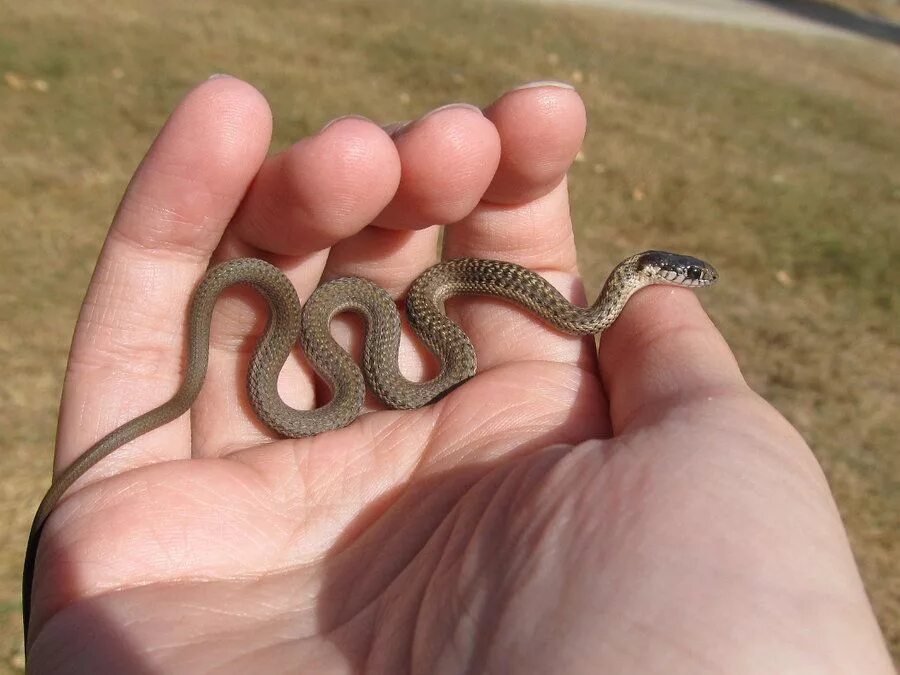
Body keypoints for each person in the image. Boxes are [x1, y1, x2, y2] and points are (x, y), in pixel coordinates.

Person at [25, 76, 893, 672]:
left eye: (683, 280)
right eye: (681, 277)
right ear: (650, 276)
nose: (687, 288)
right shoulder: (486, 309)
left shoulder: (571, 308)